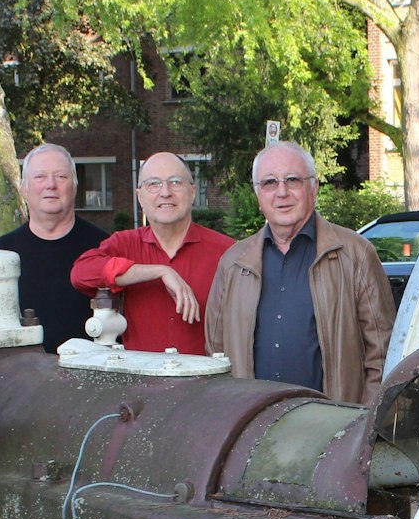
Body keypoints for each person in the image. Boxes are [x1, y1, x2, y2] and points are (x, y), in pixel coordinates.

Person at [205, 142, 394, 403]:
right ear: (258, 195)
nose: (282, 192)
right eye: (270, 182)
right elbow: (216, 355)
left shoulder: (356, 254)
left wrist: (363, 423)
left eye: (292, 180)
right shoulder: (233, 263)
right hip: (252, 426)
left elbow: (382, 352)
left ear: (314, 187)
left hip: (332, 428)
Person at [70, 152, 234, 354]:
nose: (165, 192)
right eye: (153, 184)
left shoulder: (226, 252)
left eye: (175, 182)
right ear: (140, 196)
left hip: (208, 382)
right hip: (142, 382)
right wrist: (159, 271)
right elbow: (81, 274)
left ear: (192, 192)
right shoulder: (125, 244)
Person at [0, 143, 109, 350]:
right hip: (21, 373)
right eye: (40, 177)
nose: (51, 185)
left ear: (75, 186)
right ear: (24, 188)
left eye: (61, 177)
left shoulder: (103, 247)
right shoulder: (3, 252)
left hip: (91, 371)